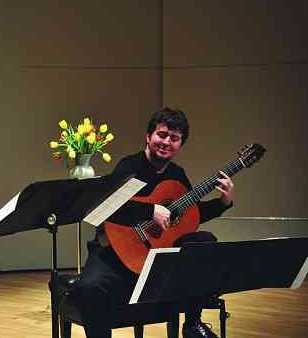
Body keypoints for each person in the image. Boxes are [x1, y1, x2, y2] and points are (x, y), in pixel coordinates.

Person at [75, 107, 234, 338]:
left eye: (174, 138)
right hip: (114, 250)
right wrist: (150, 210)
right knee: (88, 287)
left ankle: (192, 324)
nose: (166, 142)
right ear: (148, 137)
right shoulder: (129, 167)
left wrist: (223, 202)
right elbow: (106, 207)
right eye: (162, 134)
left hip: (157, 255)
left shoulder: (177, 175)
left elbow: (189, 215)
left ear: (180, 144)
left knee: (204, 241)